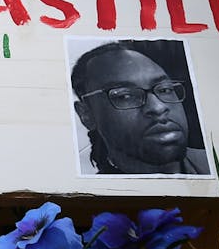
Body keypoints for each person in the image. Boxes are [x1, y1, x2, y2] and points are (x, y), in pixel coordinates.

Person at [71, 41, 209, 175]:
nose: (158, 107)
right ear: (86, 115)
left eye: (165, 89)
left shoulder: (217, 167)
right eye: (125, 96)